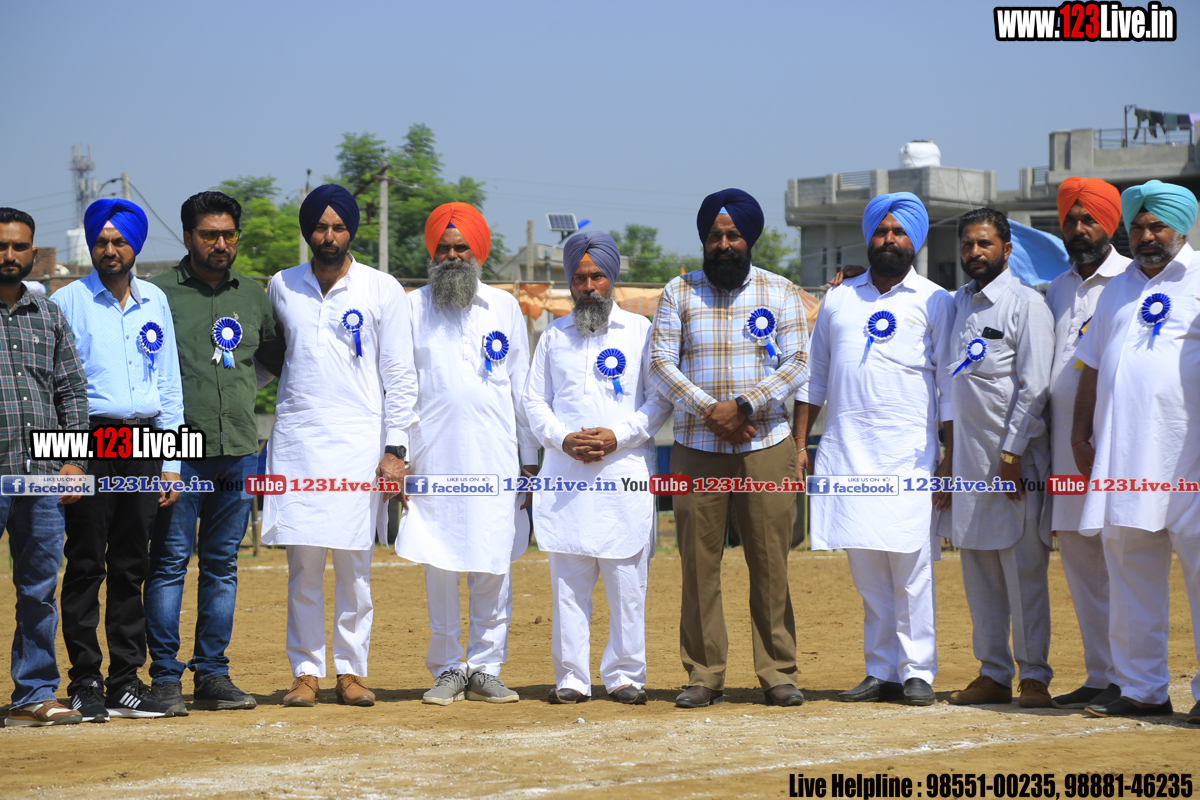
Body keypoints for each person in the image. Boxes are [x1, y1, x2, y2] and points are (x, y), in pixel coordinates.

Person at [649, 188, 809, 708]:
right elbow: (661, 363)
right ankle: (704, 673)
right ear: (704, 239)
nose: (724, 244)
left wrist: (742, 405)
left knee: (770, 562)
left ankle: (778, 671)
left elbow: (797, 362)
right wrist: (711, 411)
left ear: (749, 238)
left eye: (733, 235)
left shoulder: (780, 290)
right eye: (715, 235)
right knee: (698, 565)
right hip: (696, 445)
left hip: (765, 444)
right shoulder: (677, 292)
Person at [793, 193, 952, 707]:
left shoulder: (936, 300)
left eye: (899, 232)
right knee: (867, 569)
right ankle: (881, 670)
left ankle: (917, 671)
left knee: (912, 568)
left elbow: (949, 384)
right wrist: (800, 443)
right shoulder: (840, 298)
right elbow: (815, 375)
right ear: (869, 237)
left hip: (910, 456)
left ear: (915, 240)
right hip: (848, 453)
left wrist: (948, 452)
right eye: (881, 231)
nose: (889, 239)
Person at [262, 185, 416, 709]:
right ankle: (305, 673)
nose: (329, 236)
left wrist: (396, 449)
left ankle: (351, 672)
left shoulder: (382, 288)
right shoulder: (281, 285)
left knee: (354, 568)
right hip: (299, 441)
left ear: (352, 231)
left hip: (359, 445)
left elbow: (400, 375)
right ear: (308, 231)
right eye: (320, 227)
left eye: (339, 227)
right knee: (303, 567)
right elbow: (268, 361)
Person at [143, 191, 284, 715]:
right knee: (169, 563)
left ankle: (212, 675)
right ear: (188, 237)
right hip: (177, 451)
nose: (220, 243)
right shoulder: (156, 294)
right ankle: (164, 678)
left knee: (222, 565)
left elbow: (273, 359)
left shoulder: (253, 296)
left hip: (240, 449)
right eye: (209, 235)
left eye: (228, 234)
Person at [396, 202, 537, 706]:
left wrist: (529, 460)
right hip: (431, 461)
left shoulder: (504, 307)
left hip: (495, 459)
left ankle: (486, 667)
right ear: (432, 253)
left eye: (461, 247)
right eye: (444, 248)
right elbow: (400, 388)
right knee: (439, 563)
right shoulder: (411, 308)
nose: (453, 256)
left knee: (493, 562)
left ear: (478, 252)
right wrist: (399, 455)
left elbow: (521, 387)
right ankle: (447, 668)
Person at [523, 231, 672, 705]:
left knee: (627, 584)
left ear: (612, 279)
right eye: (580, 278)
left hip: (622, 475)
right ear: (570, 283)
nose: (588, 286)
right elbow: (533, 401)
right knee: (568, 583)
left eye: (597, 277)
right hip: (565, 477)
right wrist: (563, 438)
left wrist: (617, 436)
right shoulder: (553, 335)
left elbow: (659, 400)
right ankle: (572, 676)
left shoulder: (641, 331)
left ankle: (625, 674)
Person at [1072, 180, 1200, 723]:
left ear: (1181, 228)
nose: (1145, 236)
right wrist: (1079, 434)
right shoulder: (1116, 290)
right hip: (1123, 457)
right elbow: (1091, 365)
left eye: (1156, 226)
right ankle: (1143, 688)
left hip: (1189, 457)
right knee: (1129, 575)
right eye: (1138, 227)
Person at [51, 199, 184, 721]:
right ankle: (84, 680)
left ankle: (126, 681)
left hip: (144, 443)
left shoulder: (156, 300)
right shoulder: (67, 301)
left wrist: (171, 461)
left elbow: (168, 384)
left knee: (132, 566)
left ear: (135, 247)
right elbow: (58, 388)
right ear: (91, 246)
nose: (110, 249)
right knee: (86, 563)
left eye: (119, 241)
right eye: (101, 241)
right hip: (87, 442)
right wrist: (67, 456)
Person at [942, 207, 1055, 709]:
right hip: (969, 468)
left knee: (1024, 575)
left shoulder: (1026, 305)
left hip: (1014, 468)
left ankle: (1034, 677)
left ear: (1006, 249)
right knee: (980, 576)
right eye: (967, 244)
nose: (974, 252)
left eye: (984, 243)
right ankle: (993, 673)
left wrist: (1011, 454)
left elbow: (1035, 387)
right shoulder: (957, 304)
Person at [0, 208, 88, 727]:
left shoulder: (49, 314)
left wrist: (73, 459)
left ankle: (33, 693)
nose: (9, 255)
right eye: (2, 245)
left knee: (38, 590)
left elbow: (71, 390)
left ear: (33, 253)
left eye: (19, 246)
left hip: (40, 475)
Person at [1044, 178, 1129, 710]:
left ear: (1110, 223)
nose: (1078, 229)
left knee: (1119, 562)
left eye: (1088, 219)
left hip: (1111, 448)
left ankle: (1130, 675)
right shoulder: (1056, 288)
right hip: (1063, 451)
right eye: (1071, 220)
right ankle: (1100, 673)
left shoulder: (1131, 281)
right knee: (1078, 562)